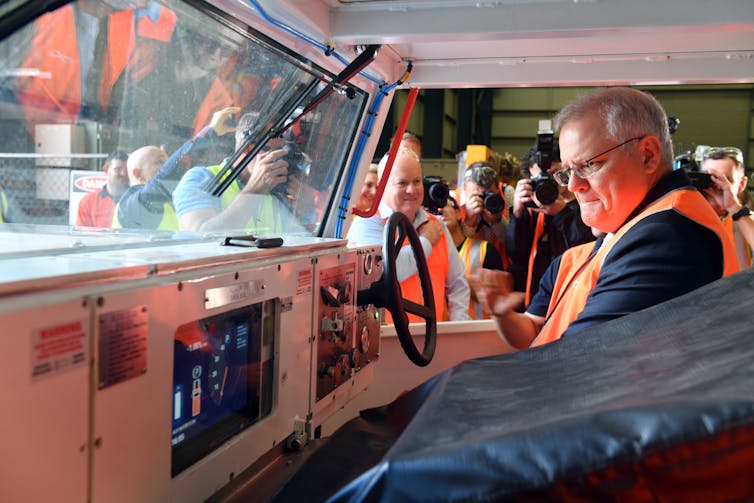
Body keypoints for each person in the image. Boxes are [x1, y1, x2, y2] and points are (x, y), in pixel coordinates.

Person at [472, 87, 739, 350]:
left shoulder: (667, 236)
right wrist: (502, 313)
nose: (574, 186)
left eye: (589, 165)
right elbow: (539, 332)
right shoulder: (585, 254)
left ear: (647, 155)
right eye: (567, 171)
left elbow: (577, 358)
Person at [347, 147, 471, 322]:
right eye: (402, 183)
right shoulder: (366, 224)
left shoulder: (437, 225)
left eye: (417, 181)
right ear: (382, 187)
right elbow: (389, 271)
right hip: (387, 343)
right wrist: (426, 241)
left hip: (433, 340)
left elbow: (458, 283)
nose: (412, 190)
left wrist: (458, 327)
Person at [172, 111, 305, 234]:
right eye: (272, 152)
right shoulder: (200, 179)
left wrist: (304, 207)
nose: (278, 160)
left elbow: (302, 240)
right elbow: (202, 236)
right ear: (247, 148)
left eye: (281, 152)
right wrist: (255, 190)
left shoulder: (275, 193)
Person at [114, 107, 238, 230]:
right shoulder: (130, 207)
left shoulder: (166, 201)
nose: (167, 166)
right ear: (138, 174)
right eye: (160, 162)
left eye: (168, 161)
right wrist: (210, 132)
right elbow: (174, 170)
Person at [506, 143, 595, 306]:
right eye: (539, 179)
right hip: (536, 297)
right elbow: (515, 254)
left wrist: (562, 214)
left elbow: (587, 248)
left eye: (554, 174)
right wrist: (518, 214)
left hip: (575, 295)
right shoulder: (531, 209)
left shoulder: (585, 201)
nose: (548, 182)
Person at [440, 196, 503, 319]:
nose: (439, 210)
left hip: (477, 332)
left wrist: (459, 281)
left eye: (444, 204)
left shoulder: (485, 250)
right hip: (439, 334)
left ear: (458, 214)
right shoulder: (425, 256)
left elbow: (500, 302)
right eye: (431, 210)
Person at [700, 146, 754, 269]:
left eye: (726, 180)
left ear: (741, 184)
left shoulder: (747, 221)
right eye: (712, 178)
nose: (718, 186)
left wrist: (733, 207)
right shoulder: (687, 215)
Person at [458, 161, 510, 266]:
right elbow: (454, 246)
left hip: (500, 265)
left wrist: (497, 221)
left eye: (488, 194)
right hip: (465, 267)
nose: (483, 200)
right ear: (464, 188)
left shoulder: (507, 194)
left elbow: (513, 243)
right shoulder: (453, 200)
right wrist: (469, 222)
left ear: (497, 188)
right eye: (476, 195)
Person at [76, 150, 129, 227]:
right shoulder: (88, 202)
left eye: (127, 170)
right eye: (118, 169)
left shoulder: (137, 200)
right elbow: (81, 234)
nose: (124, 173)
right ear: (106, 170)